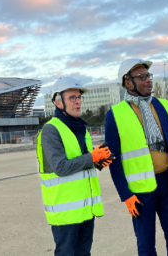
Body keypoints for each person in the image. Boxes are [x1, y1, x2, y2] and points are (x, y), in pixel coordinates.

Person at [105, 59, 168, 256]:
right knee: (146, 247)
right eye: (141, 77)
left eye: (149, 76)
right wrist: (126, 195)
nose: (148, 80)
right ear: (127, 82)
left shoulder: (164, 106)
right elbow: (114, 162)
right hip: (140, 192)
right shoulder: (115, 115)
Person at [37, 77, 113, 256]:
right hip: (65, 213)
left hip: (86, 209)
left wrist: (99, 159)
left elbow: (83, 161)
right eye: (72, 98)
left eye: (79, 97)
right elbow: (61, 167)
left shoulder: (80, 128)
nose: (78, 101)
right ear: (58, 102)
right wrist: (91, 158)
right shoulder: (51, 130)